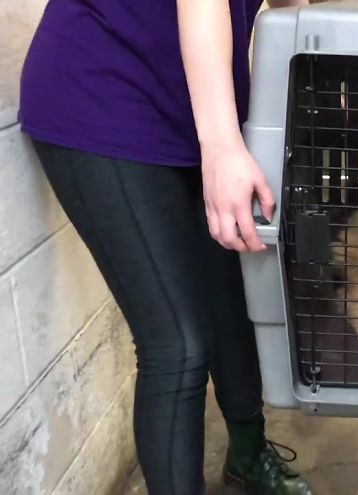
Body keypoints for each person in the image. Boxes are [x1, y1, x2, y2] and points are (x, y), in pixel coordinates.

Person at [19, 1, 312, 494]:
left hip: (194, 107)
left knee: (232, 308)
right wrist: (221, 151)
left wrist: (308, 73)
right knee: (177, 345)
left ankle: (247, 453)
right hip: (104, 98)